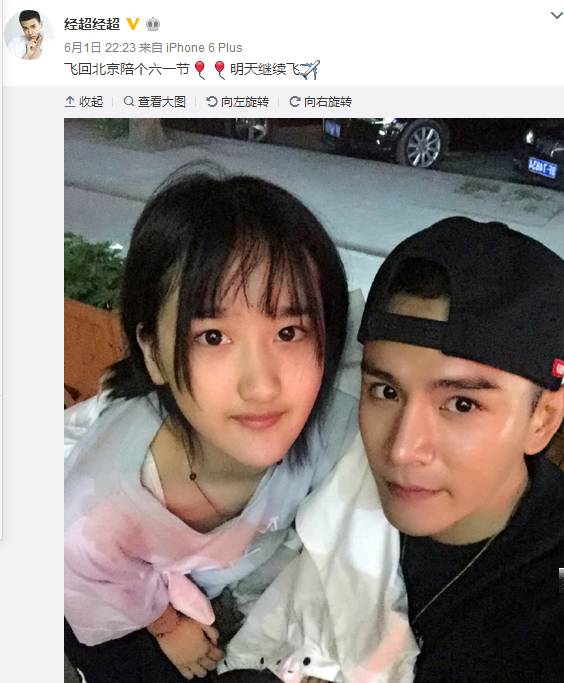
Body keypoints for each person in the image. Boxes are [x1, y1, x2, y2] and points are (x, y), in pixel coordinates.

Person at [221, 216, 564, 683]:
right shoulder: (329, 470)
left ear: (542, 419)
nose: (402, 449)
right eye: (386, 392)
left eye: (461, 404)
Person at [64, 168, 360, 682]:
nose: (262, 387)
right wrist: (166, 626)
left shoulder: (333, 419)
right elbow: (88, 578)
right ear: (152, 353)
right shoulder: (93, 515)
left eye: (289, 331)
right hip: (114, 596)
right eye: (213, 337)